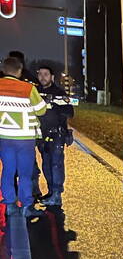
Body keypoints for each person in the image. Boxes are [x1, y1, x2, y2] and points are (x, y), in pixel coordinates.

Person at [0, 56, 48, 218]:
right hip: (25, 139)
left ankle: (9, 204)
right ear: (19, 71)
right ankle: (27, 205)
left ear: (4, 70)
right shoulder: (28, 88)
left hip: (4, 137)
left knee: (8, 170)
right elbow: (41, 110)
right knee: (25, 173)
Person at [34, 66, 74, 207]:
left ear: (51, 77)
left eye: (46, 74)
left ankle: (56, 195)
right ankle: (51, 192)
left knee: (56, 164)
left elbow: (70, 112)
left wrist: (55, 104)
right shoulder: (35, 92)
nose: (42, 77)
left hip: (57, 133)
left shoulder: (59, 92)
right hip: (41, 134)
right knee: (46, 164)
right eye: (40, 74)